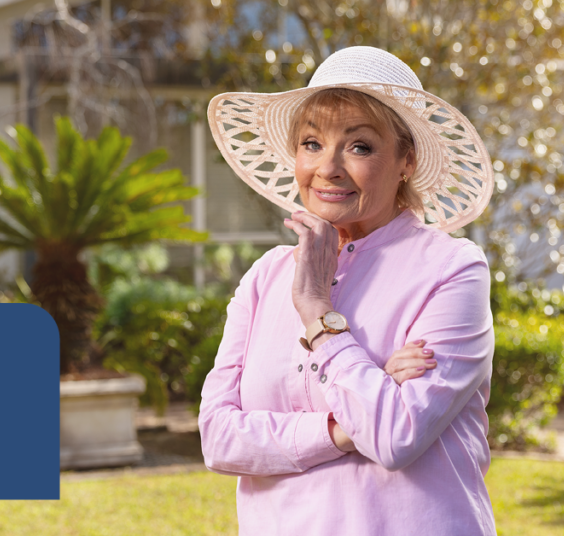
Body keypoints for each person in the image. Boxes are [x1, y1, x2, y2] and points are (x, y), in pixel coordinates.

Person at [199, 46, 497, 535]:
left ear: (406, 160)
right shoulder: (265, 277)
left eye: (359, 146)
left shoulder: (452, 268)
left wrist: (318, 310)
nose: (328, 167)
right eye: (311, 143)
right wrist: (342, 428)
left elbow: (396, 436)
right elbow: (219, 439)